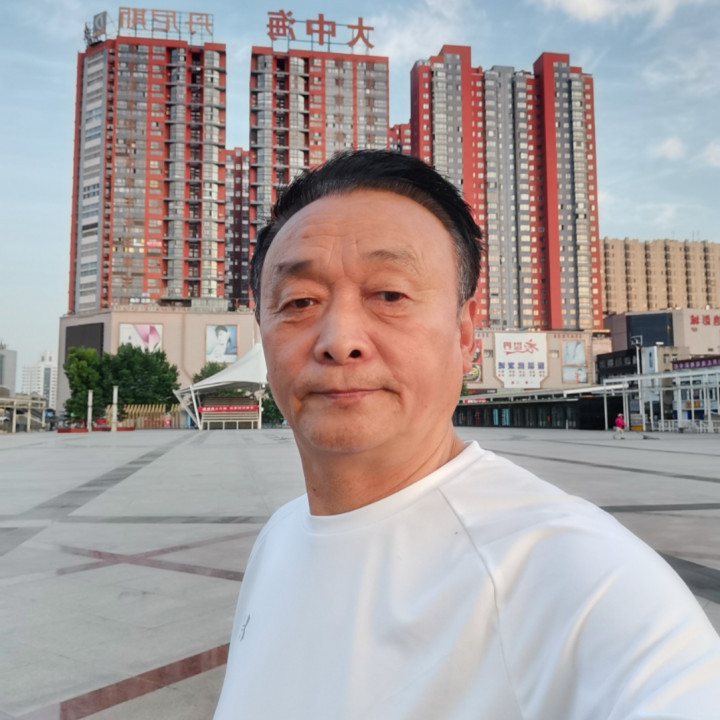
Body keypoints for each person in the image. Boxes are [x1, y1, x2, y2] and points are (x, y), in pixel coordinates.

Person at [214, 150, 720, 719]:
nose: (340, 340)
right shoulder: (279, 539)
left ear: (464, 335)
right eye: (300, 301)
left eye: (389, 295)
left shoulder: (580, 579)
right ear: (263, 331)